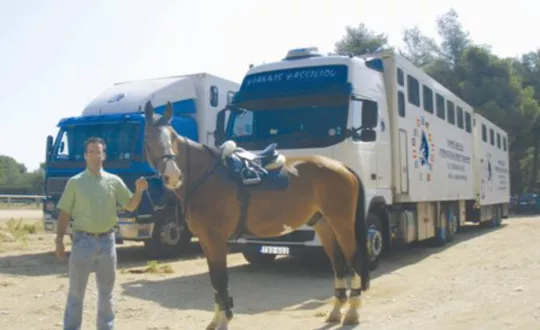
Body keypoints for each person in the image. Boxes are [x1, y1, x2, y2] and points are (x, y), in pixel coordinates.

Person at [55, 137, 148, 330]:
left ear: (104, 155)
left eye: (98, 152)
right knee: (76, 293)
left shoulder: (113, 181)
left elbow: (130, 205)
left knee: (106, 293)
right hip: (82, 242)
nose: (95, 156)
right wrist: (59, 240)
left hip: (108, 242)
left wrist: (138, 191)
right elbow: (65, 213)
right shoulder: (75, 182)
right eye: (91, 152)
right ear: (85, 156)